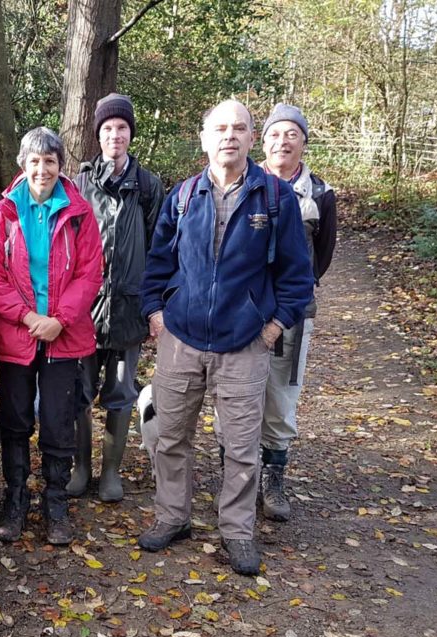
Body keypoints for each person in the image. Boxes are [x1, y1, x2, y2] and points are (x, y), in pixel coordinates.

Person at [139, 100, 313, 575]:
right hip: (181, 338)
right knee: (171, 438)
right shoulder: (182, 197)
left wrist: (273, 326)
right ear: (204, 138)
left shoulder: (275, 199)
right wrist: (155, 314)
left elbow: (298, 278)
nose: (229, 136)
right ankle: (172, 517)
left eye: (239, 128)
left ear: (252, 139)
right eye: (220, 128)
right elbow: (157, 265)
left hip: (245, 343)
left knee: (240, 445)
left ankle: (236, 531)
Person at [0, 127, 102, 545]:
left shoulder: (80, 212)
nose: (42, 169)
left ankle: (55, 504)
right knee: (15, 421)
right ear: (23, 164)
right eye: (35, 160)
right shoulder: (5, 213)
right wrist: (28, 317)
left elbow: (90, 274)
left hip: (64, 337)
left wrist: (60, 319)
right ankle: (15, 502)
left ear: (59, 165)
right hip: (17, 335)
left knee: (57, 421)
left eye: (50, 161)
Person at [67, 93, 164, 503]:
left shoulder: (147, 185)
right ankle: (80, 468)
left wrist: (154, 304)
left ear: (130, 133)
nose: (115, 135)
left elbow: (161, 247)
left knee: (121, 394)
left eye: (122, 128)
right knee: (79, 392)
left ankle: (110, 472)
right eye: (107, 129)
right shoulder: (80, 182)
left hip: (127, 308)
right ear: (98, 135)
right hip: (84, 310)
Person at [252, 103, 337, 520]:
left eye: (291, 134)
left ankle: (274, 478)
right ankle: (239, 477)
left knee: (281, 398)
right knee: (236, 394)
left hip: (292, 315)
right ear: (262, 140)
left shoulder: (319, 194)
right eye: (274, 134)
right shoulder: (245, 182)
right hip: (242, 311)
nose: (282, 142)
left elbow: (319, 260)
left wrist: (288, 300)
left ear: (304, 141)